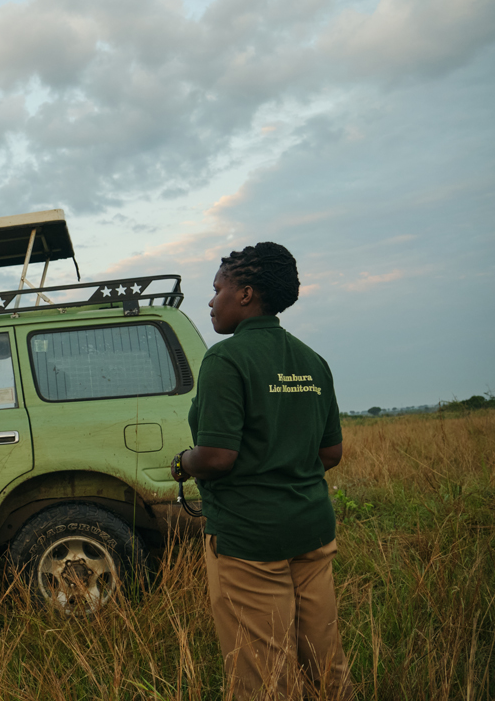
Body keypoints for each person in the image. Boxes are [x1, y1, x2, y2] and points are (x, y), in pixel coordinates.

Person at [170, 243, 353, 700]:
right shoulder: (312, 361)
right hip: (312, 532)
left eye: (217, 290)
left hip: (251, 542)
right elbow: (331, 452)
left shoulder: (225, 359)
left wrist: (182, 461)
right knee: (325, 662)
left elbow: (215, 457)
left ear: (246, 294)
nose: (211, 302)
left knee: (264, 677)